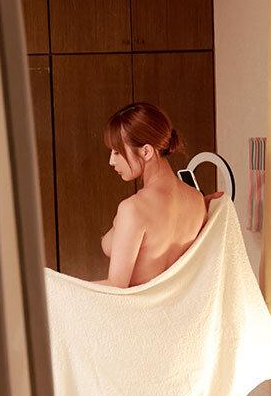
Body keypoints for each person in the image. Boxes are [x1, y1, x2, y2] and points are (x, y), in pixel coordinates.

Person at [95, 101, 224, 288]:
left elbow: (116, 286)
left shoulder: (133, 208)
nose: (111, 161)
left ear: (146, 151)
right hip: (176, 306)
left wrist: (57, 289)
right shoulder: (196, 200)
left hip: (138, 306)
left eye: (117, 151)